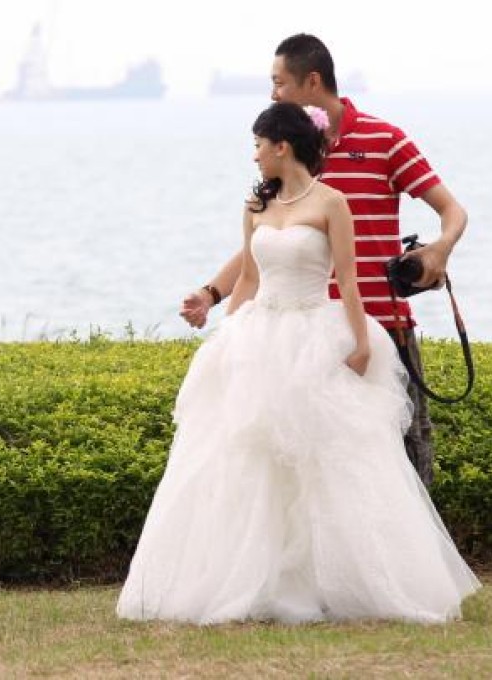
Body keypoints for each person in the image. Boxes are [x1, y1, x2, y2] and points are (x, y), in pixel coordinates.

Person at [117, 101, 480, 624]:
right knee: (247, 458)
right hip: (261, 333)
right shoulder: (255, 206)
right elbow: (249, 278)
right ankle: (250, 578)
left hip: (314, 330)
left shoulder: (332, 203)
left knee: (325, 460)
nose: (256, 155)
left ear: (283, 146)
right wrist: (224, 326)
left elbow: (349, 282)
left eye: (260, 145)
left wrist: (359, 343)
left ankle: (336, 581)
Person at [179, 34, 467, 487]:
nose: (273, 94)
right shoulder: (286, 154)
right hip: (307, 346)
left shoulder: (384, 139)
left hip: (383, 324)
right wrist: (212, 293)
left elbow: (453, 211)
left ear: (312, 81)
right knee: (318, 478)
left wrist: (439, 249)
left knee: (407, 464)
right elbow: (268, 242)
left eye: (279, 83)